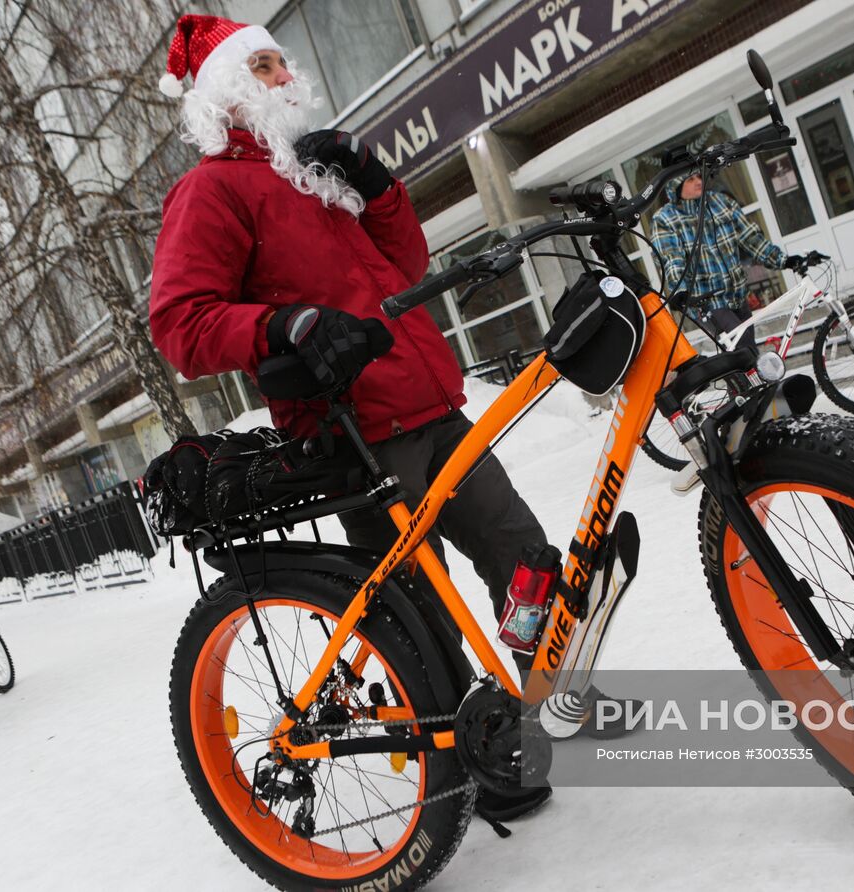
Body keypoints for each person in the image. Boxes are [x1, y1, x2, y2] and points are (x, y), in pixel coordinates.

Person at [147, 15, 554, 822]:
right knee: (416, 612)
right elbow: (180, 324)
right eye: (262, 66)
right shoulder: (212, 190)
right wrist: (282, 325)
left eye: (280, 62)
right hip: (354, 434)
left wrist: (377, 187)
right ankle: (472, 750)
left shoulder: (311, 172)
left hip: (432, 407)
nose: (283, 77)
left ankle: (542, 701)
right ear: (228, 90)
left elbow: (402, 268)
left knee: (525, 557)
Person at [650, 170, 814, 339]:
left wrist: (784, 261)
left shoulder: (720, 202)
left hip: (738, 295)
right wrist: (680, 290)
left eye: (699, 177)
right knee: (743, 348)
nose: (698, 181)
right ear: (676, 187)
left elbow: (750, 239)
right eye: (690, 179)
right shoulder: (665, 219)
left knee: (747, 355)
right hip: (708, 301)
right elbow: (671, 258)